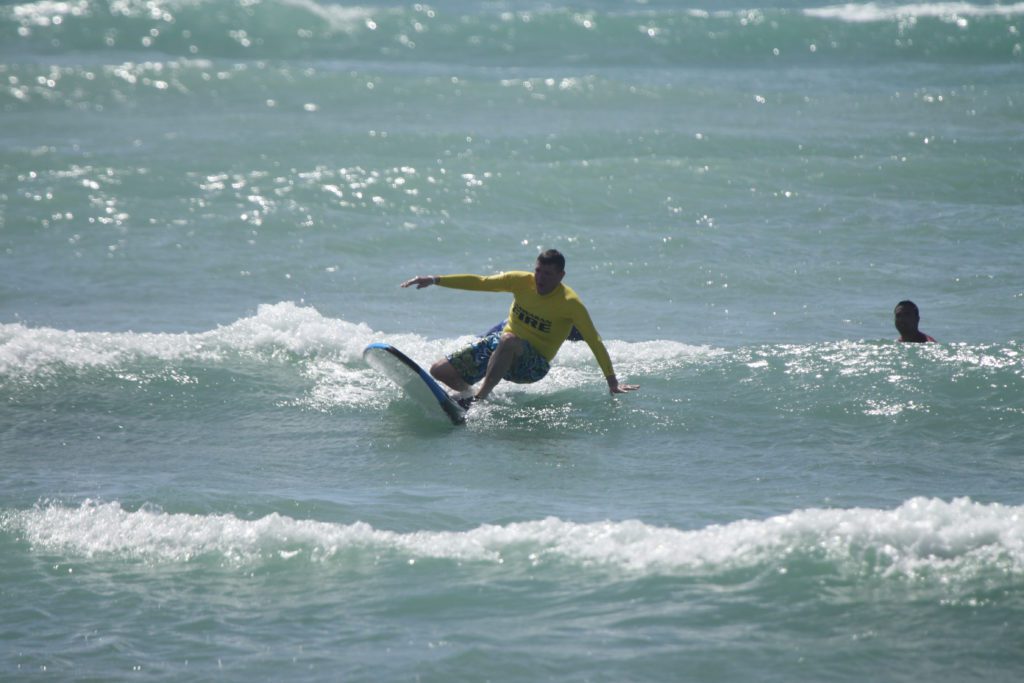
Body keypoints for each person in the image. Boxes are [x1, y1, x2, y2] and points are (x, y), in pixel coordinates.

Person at [400, 249, 639, 406]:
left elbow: (594, 340)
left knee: (508, 340)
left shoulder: (570, 304)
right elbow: (481, 282)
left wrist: (612, 382)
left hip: (533, 365)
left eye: (547, 274)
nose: (540, 278)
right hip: (501, 346)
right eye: (537, 271)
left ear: (561, 275)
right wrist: (435, 279)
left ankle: (479, 402)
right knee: (439, 371)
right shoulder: (521, 282)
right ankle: (470, 395)